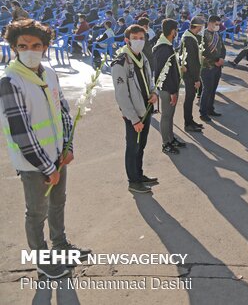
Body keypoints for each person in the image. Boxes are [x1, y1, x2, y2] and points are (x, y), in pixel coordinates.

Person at [0, 19, 90, 279]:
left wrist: (67, 147)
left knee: (58, 203)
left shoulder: (49, 74)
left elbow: (62, 110)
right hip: (33, 163)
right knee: (37, 212)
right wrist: (46, 167)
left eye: (36, 45)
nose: (30, 50)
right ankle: (42, 259)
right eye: (23, 45)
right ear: (14, 48)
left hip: (57, 156)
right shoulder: (11, 81)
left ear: (46, 47)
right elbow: (21, 131)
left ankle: (61, 246)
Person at [111, 24, 159, 194]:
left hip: (146, 109)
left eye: (141, 38)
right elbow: (122, 96)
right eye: (135, 38)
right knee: (132, 147)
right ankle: (133, 181)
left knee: (141, 145)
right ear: (127, 40)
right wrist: (134, 119)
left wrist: (154, 93)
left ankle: (139, 175)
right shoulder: (120, 62)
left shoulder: (142, 57)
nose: (139, 41)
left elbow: (149, 80)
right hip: (134, 115)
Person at [152, 19, 185, 154]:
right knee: (166, 116)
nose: (177, 32)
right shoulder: (164, 49)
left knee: (170, 115)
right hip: (167, 89)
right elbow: (162, 74)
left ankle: (171, 139)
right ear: (173, 31)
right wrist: (172, 91)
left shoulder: (166, 45)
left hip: (171, 88)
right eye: (176, 30)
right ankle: (165, 143)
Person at [180, 16, 205, 132]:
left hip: (190, 72)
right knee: (189, 98)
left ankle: (190, 120)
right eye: (200, 27)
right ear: (197, 27)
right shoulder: (189, 39)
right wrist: (196, 79)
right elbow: (192, 61)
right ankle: (188, 123)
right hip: (190, 74)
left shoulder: (190, 36)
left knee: (191, 97)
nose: (201, 30)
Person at [199, 15, 225, 121]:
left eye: (219, 24)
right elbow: (203, 52)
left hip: (217, 67)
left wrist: (222, 58)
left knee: (213, 89)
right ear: (210, 23)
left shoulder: (217, 34)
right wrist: (215, 61)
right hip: (207, 67)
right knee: (207, 89)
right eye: (216, 24)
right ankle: (203, 112)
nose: (218, 26)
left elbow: (223, 48)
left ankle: (210, 109)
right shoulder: (203, 35)